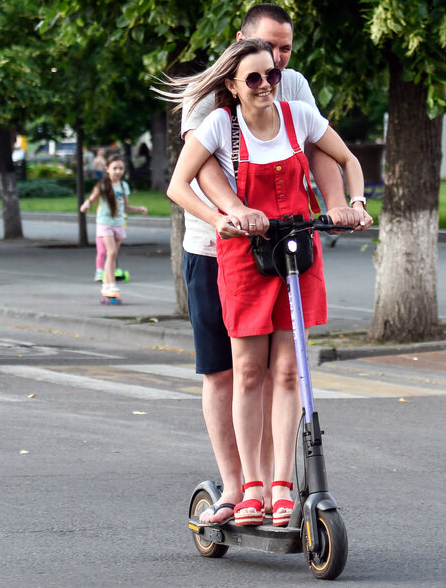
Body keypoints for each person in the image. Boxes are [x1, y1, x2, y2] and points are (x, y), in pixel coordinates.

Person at [164, 38, 372, 527]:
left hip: (296, 253)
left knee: (287, 371)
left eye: (272, 75)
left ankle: (282, 486)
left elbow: (347, 159)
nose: (265, 84)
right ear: (234, 86)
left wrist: (353, 204)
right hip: (245, 259)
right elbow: (177, 185)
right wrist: (221, 218)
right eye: (253, 78)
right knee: (248, 371)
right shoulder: (221, 124)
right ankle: (250, 488)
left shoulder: (299, 116)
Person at [79, 156, 148, 299]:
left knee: (113, 255)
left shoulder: (123, 186)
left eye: (121, 168)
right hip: (105, 223)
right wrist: (86, 205)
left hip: (118, 223)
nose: (118, 171)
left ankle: (107, 283)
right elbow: (91, 199)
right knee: (111, 253)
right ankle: (109, 284)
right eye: (115, 168)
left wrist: (139, 209)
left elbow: (126, 207)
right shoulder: (102, 185)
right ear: (107, 169)